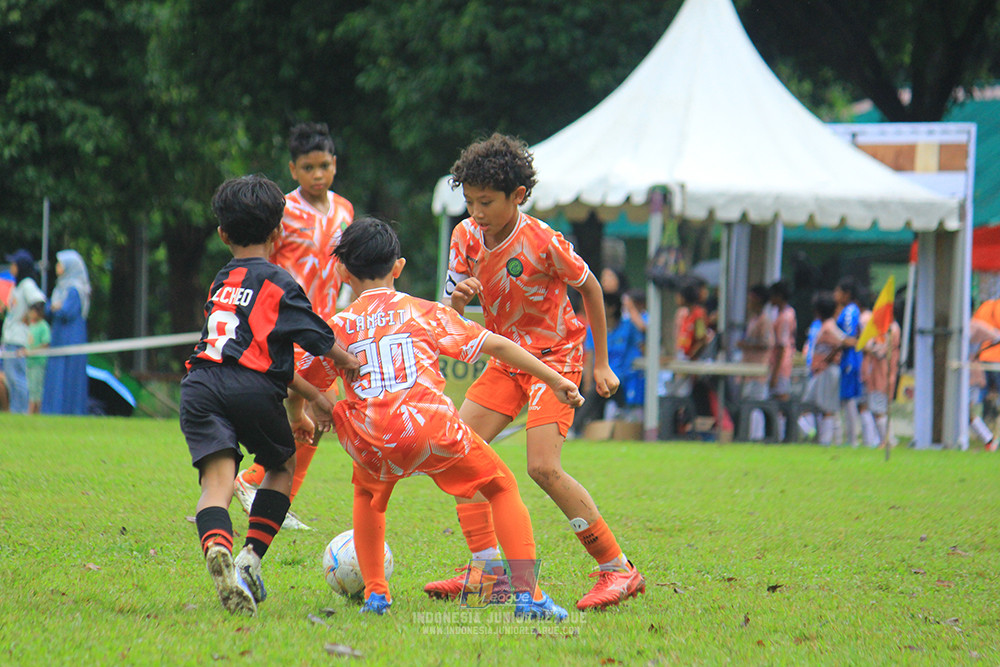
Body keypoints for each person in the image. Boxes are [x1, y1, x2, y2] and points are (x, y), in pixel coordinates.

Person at [298, 216, 581, 618]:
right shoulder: (422, 311)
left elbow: (302, 377)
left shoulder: (335, 327)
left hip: (370, 437)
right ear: (398, 268)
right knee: (501, 487)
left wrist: (313, 409)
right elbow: (495, 345)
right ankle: (528, 598)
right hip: (431, 428)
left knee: (367, 495)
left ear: (342, 272)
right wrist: (553, 378)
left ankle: (376, 595)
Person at [430, 133, 644, 611]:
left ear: (518, 197)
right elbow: (452, 307)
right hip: (508, 359)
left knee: (542, 467)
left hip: (555, 361)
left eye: (486, 202)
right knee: (458, 452)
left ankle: (618, 570)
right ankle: (487, 572)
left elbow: (590, 290)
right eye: (468, 201)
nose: (476, 212)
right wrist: (460, 303)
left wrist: (602, 361)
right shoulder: (464, 237)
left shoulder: (544, 241)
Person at [179, 174, 360, 616]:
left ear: (223, 234)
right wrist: (353, 364)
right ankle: (249, 557)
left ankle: (217, 545)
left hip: (200, 386)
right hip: (251, 390)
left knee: (216, 484)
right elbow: (318, 340)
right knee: (281, 465)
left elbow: (250, 354)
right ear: (278, 232)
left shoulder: (222, 281)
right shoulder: (279, 282)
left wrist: (311, 394)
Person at [233, 122, 356, 530]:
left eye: (324, 165)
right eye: (308, 167)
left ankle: (274, 502)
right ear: (293, 169)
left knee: (316, 417)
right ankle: (254, 485)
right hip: (283, 322)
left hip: (322, 326)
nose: (317, 174)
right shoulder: (281, 209)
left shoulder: (345, 210)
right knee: (301, 408)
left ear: (334, 165)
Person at [41, 249, 91, 415]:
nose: (57, 266)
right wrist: (54, 308)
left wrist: (57, 308)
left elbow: (67, 312)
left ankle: (71, 410)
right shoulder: (60, 288)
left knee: (69, 375)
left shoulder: (75, 289)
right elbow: (49, 308)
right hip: (59, 336)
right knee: (56, 373)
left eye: (60, 263)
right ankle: (53, 409)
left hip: (71, 337)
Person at [801, 292, 855, 445]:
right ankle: (816, 436)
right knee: (810, 404)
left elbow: (844, 341)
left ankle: (825, 441)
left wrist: (829, 358)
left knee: (827, 408)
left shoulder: (829, 327)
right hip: (821, 371)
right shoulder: (826, 326)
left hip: (826, 371)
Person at [1, 249, 46, 414]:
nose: (12, 267)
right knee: (11, 378)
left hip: (19, 338)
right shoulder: (17, 286)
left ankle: (20, 410)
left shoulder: (27, 284)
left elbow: (39, 301)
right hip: (10, 337)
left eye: (14, 264)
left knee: (18, 377)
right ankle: (15, 409)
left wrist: (29, 317)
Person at [737, 284, 775, 441]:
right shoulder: (753, 319)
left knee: (757, 403)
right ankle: (750, 434)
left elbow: (767, 343)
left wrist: (747, 345)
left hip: (759, 368)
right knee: (749, 402)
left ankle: (757, 436)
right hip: (749, 369)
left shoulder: (764, 321)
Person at [834, 277, 863, 447]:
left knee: (848, 399)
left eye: (837, 291)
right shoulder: (846, 310)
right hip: (848, 359)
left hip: (849, 360)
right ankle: (849, 437)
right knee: (846, 399)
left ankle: (852, 439)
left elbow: (849, 338)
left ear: (846, 294)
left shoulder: (850, 311)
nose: (835, 295)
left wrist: (835, 341)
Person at [968, 313, 1000, 450]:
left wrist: (977, 353)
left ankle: (989, 440)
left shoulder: (975, 325)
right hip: (962, 375)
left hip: (971, 376)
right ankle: (989, 440)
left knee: (966, 411)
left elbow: (996, 336)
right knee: (965, 412)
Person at [24, 302, 51, 414]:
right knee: (30, 387)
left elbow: (46, 343)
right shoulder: (31, 325)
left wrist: (32, 352)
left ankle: (35, 411)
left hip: (38, 362)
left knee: (37, 389)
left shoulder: (43, 326)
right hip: (29, 362)